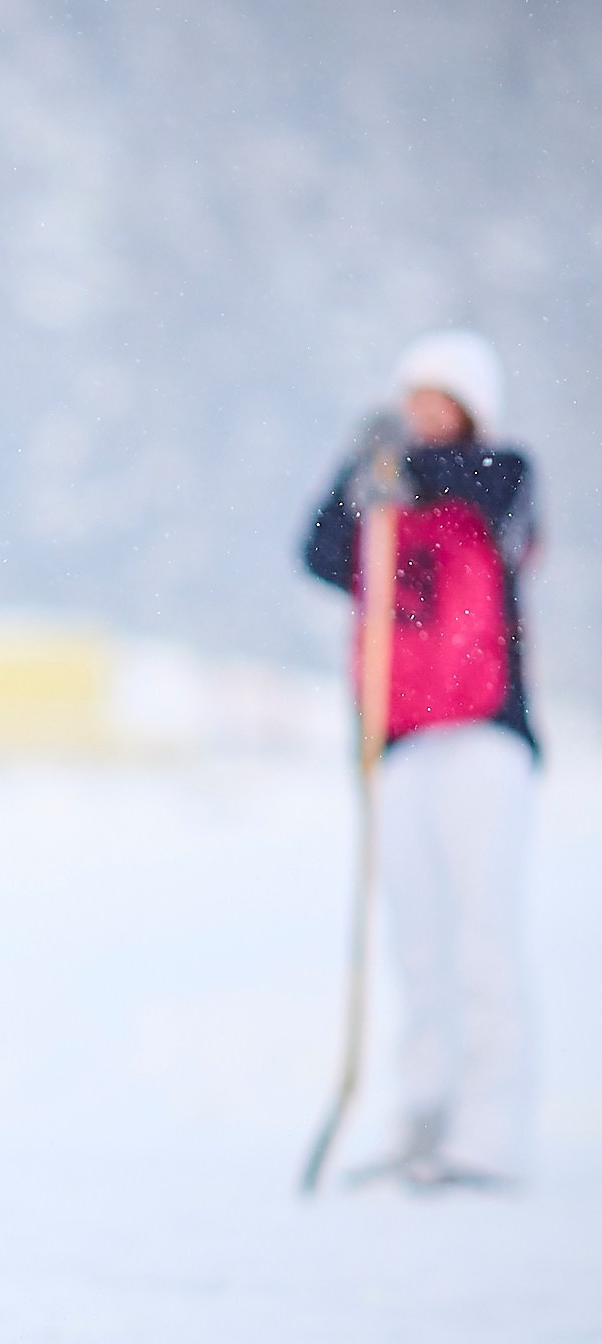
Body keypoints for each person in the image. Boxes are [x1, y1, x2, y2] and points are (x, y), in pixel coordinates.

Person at [302, 329, 540, 1190]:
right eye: (414, 398)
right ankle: (424, 1111)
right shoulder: (379, 504)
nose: (422, 414)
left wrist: (403, 467)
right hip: (400, 741)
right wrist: (352, 473)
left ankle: (490, 1127)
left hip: (484, 738)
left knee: (482, 932)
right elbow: (320, 551)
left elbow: (492, 491)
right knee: (417, 939)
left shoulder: (500, 478)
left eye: (440, 399)